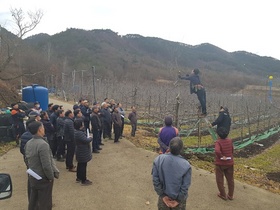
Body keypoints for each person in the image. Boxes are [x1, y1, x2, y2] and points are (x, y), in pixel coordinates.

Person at [24, 121, 59, 210]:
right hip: (43, 178)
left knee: (33, 201)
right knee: (45, 202)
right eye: (43, 127)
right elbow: (46, 165)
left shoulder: (29, 143)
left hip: (33, 176)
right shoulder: (43, 144)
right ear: (39, 130)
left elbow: (26, 159)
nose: (44, 129)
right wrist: (50, 177)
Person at [152, 137, 192, 209]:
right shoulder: (186, 165)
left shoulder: (158, 160)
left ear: (169, 147)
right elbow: (185, 186)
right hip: (178, 202)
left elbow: (155, 180)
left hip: (164, 199)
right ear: (181, 149)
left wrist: (162, 195)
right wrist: (178, 200)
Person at [214, 127, 234, 201]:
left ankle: (223, 194)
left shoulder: (218, 142)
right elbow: (232, 150)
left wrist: (221, 157)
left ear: (218, 135)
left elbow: (217, 151)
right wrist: (229, 156)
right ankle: (230, 195)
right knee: (230, 179)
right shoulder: (230, 141)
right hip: (229, 163)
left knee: (219, 179)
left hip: (220, 163)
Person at [74, 119, 93, 185]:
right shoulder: (79, 133)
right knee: (83, 166)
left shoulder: (77, 132)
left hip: (81, 151)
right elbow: (86, 140)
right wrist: (90, 138)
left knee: (80, 165)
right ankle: (83, 180)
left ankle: (79, 177)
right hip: (82, 151)